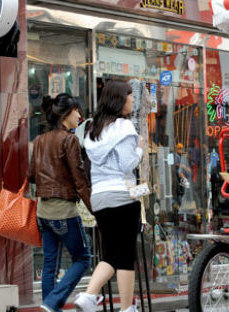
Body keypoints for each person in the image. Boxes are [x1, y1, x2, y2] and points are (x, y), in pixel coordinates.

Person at [74, 80, 143, 312]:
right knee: (125, 255)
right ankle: (126, 308)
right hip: (122, 196)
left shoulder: (94, 131)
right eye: (130, 95)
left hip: (100, 198)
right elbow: (127, 163)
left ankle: (88, 295)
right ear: (119, 99)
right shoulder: (124, 127)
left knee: (111, 254)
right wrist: (140, 149)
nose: (132, 99)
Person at [27, 93, 92, 312]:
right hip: (64, 211)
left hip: (43, 212)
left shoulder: (39, 140)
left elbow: (31, 176)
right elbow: (80, 181)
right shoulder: (69, 139)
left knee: (49, 265)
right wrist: (96, 210)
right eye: (76, 111)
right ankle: (52, 303)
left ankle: (49, 307)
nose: (80, 115)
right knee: (83, 259)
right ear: (66, 114)